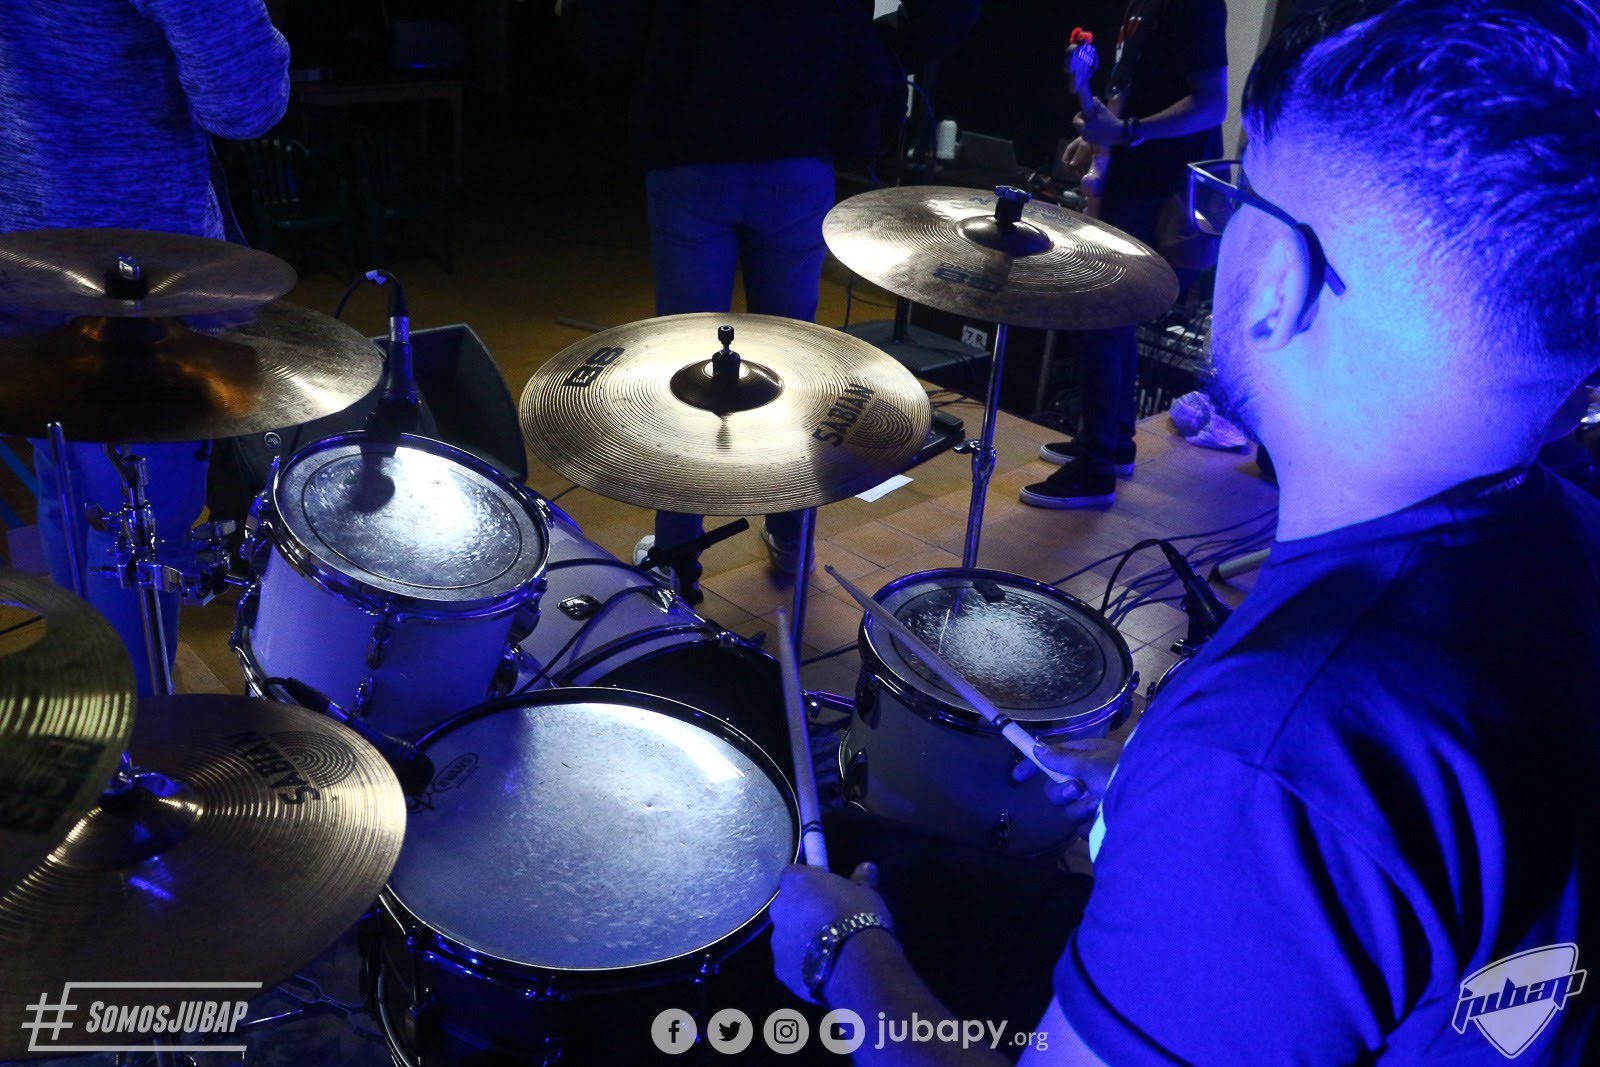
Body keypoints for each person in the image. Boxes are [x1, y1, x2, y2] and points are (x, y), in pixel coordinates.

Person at [771, 0, 1600, 1062]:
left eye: (1237, 194)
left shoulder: (1268, 764)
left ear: (1281, 282)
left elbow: (1295, 791)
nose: (1220, 228)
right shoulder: (1569, 533)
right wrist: (1148, 785)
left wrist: (844, 948)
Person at [562, 0, 977, 591]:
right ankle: (791, 535)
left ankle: (678, 556)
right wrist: (869, 48)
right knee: (795, 362)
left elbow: (605, 37)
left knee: (686, 364)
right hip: (799, 144)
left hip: (692, 145)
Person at [0, 0, 291, 694]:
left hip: (20, 256)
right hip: (142, 280)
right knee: (137, 535)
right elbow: (246, 100)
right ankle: (133, 737)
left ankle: (93, 708)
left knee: (69, 497)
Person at [1022, 0, 1229, 508]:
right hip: (1133, 179)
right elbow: (1135, 84)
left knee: (1099, 312)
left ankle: (1096, 469)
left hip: (1158, 187)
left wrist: (1129, 133)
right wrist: (1100, 139)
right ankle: (1112, 445)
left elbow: (1212, 105)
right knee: (1113, 319)